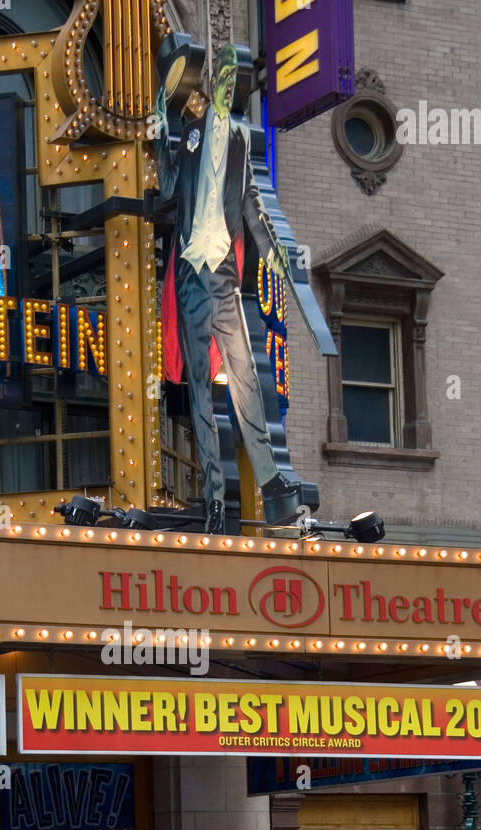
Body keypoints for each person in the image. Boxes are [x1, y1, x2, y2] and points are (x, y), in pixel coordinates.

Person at [154, 44, 319, 534]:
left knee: (245, 378)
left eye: (235, 81)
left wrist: (273, 251)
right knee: (202, 391)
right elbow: (166, 194)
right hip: (190, 274)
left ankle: (271, 485)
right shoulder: (189, 134)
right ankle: (214, 499)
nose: (228, 86)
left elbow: (251, 204)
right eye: (223, 78)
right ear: (213, 84)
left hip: (223, 274)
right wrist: (162, 133)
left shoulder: (244, 141)